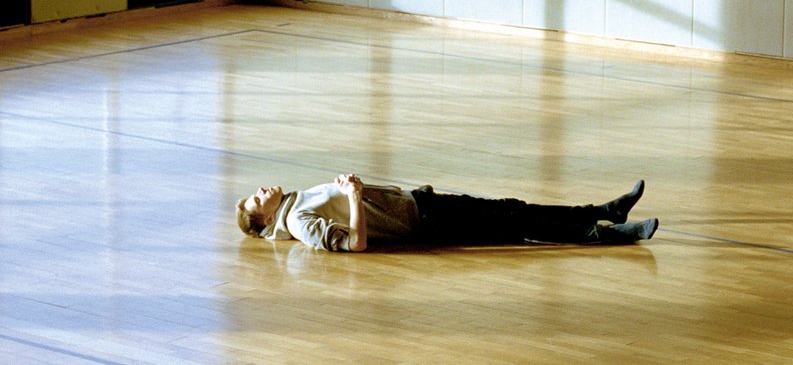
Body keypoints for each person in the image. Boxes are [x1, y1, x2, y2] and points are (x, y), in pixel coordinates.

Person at [236, 175, 656, 252]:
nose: (260, 191)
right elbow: (356, 243)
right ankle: (615, 234)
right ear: (267, 222)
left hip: (422, 203)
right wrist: (353, 193)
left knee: (516, 209)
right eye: (257, 200)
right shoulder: (298, 223)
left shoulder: (296, 201)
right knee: (520, 226)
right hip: (425, 223)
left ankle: (605, 210)